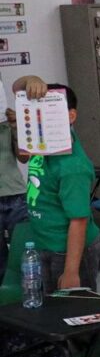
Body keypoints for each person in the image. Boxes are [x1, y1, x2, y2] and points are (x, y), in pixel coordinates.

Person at [12, 76, 100, 293]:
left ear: (71, 116)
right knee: (53, 312)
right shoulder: (43, 145)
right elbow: (17, 88)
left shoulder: (72, 165)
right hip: (45, 243)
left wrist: (71, 272)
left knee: (75, 315)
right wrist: (31, 80)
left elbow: (79, 220)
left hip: (70, 252)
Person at [0, 105, 28, 274]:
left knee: (25, 254)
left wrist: (17, 127)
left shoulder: (6, 118)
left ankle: (29, 297)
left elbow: (24, 157)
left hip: (15, 194)